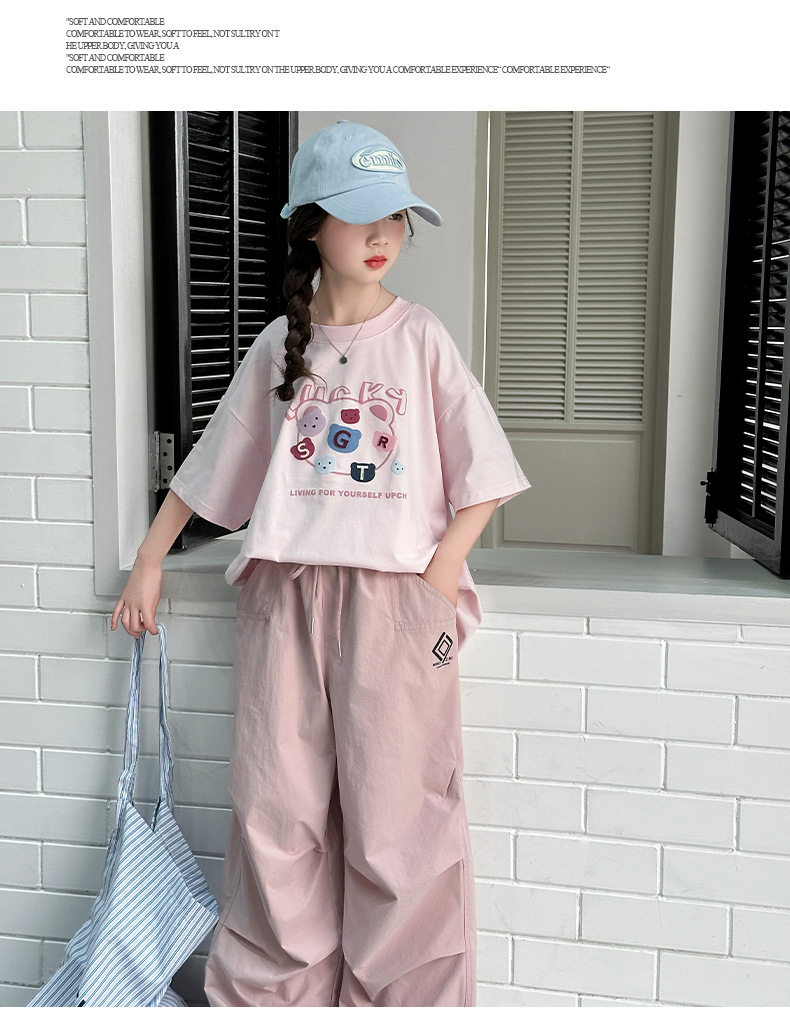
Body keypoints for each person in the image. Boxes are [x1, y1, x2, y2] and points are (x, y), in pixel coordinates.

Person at [112, 120, 530, 1007]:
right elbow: (211, 467)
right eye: (361, 215)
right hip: (285, 601)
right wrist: (150, 559)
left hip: (396, 607)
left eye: (397, 217)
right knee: (278, 818)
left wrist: (436, 581)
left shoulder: (421, 339)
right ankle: (271, 1003)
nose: (384, 235)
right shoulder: (279, 345)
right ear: (310, 225)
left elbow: (485, 479)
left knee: (399, 826)